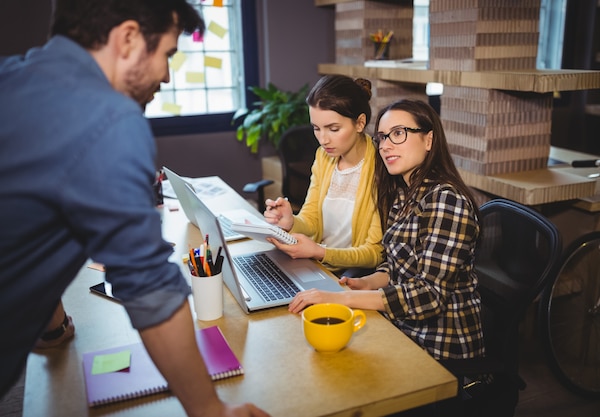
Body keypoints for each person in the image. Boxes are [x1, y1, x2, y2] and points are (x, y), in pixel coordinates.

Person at [0, 1, 269, 416]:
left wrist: (51, 326)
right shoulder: (107, 119)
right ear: (127, 38)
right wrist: (211, 411)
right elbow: (150, 289)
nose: (166, 74)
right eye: (167, 54)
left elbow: (34, 226)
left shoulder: (12, 78)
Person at [288, 99, 484, 361]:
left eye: (399, 134)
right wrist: (365, 283)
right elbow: (398, 266)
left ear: (429, 140)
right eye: (381, 137)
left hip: (438, 349)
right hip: (401, 329)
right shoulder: (405, 193)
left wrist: (341, 299)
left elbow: (429, 295)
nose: (385, 145)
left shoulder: (446, 201)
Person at [264, 75, 383, 275]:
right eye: (316, 128)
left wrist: (320, 252)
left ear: (360, 123)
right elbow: (312, 219)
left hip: (350, 273)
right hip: (318, 264)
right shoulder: (324, 157)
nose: (323, 139)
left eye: (333, 129)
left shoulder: (381, 166)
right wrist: (291, 221)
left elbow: (375, 252)